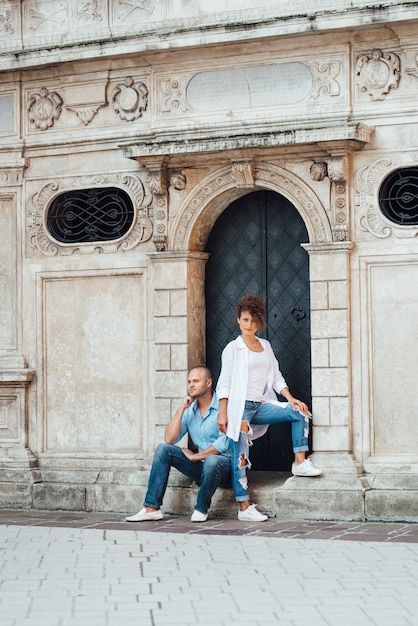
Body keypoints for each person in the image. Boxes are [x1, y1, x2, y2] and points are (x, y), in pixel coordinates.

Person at [217, 294, 322, 523]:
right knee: (241, 457)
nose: (249, 325)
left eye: (254, 321)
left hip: (261, 403)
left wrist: (290, 398)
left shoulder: (265, 345)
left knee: (299, 411)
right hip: (240, 409)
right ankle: (244, 506)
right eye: (245, 320)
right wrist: (223, 412)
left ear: (259, 322)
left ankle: (299, 462)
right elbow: (224, 382)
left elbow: (276, 377)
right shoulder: (232, 349)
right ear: (238, 320)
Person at [125, 366, 231, 523]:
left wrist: (196, 456)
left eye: (196, 381)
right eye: (189, 382)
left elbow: (224, 442)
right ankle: (152, 508)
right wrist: (182, 408)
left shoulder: (223, 407)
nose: (191, 385)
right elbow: (169, 438)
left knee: (212, 460)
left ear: (209, 383)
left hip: (224, 469)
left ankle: (201, 509)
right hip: (202, 467)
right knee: (163, 449)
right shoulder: (190, 410)